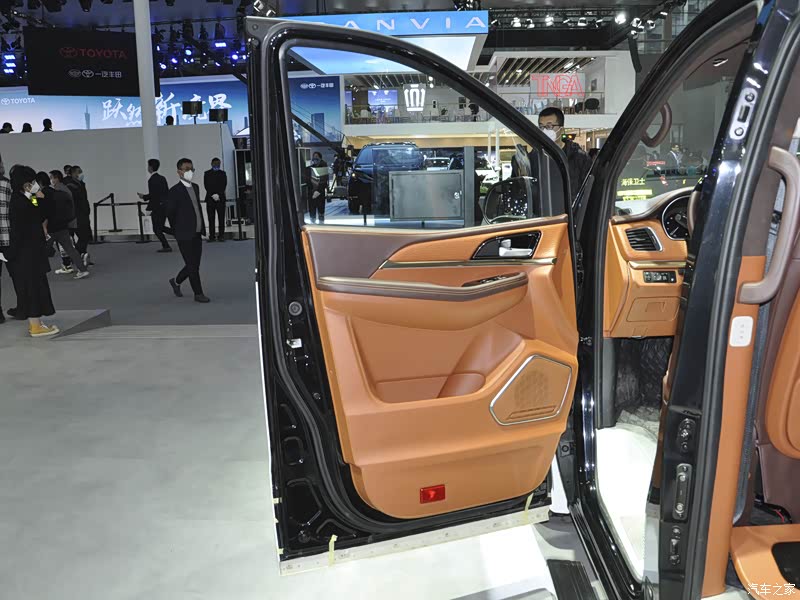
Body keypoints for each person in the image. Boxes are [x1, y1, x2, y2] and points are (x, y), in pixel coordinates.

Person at [7, 165, 59, 337]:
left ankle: (36, 323)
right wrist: (11, 253)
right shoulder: (19, 202)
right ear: (26, 184)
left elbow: (39, 212)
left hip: (32, 252)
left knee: (35, 287)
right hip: (26, 254)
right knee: (32, 288)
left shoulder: (26, 198)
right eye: (33, 181)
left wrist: (38, 197)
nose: (36, 184)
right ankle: (35, 326)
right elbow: (20, 230)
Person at [167, 158, 209, 303]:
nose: (190, 172)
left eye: (192, 169)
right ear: (179, 172)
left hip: (197, 232)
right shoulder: (174, 191)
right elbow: (170, 213)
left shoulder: (195, 187)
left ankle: (176, 281)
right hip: (183, 234)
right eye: (186, 169)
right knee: (192, 265)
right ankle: (198, 293)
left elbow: (196, 209)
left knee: (194, 264)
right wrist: (177, 231)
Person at [36, 171, 89, 280]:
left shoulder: (41, 194)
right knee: (70, 249)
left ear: (39, 182)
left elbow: (38, 209)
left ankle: (35, 274)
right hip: (62, 226)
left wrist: (31, 195)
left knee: (39, 250)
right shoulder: (55, 192)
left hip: (49, 229)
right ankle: (82, 269)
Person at [537, 107, 592, 199]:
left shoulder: (580, 158)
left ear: (561, 129)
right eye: (541, 127)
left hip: (570, 207)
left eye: (549, 126)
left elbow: (589, 191)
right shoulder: (535, 157)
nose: (544, 131)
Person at [136, 159, 172, 252]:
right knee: (161, 227)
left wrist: (144, 197)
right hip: (164, 206)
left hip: (157, 207)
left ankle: (167, 245)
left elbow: (153, 195)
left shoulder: (152, 180)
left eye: (148, 166)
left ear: (151, 167)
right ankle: (177, 235)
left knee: (157, 229)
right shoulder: (162, 178)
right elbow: (165, 193)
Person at [49, 169, 79, 274]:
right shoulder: (63, 188)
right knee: (67, 244)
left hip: (64, 222)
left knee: (65, 245)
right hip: (69, 220)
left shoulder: (59, 190)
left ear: (56, 178)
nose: (50, 180)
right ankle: (70, 263)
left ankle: (68, 264)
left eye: (51, 178)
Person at [64, 165, 92, 266]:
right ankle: (77, 256)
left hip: (83, 214)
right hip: (76, 215)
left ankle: (82, 256)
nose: (81, 174)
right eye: (79, 172)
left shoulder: (80, 184)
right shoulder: (70, 185)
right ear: (73, 173)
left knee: (86, 236)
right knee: (82, 236)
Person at [0, 163, 13, 324]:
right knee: (17, 275)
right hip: (8, 238)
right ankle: (24, 307)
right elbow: (34, 200)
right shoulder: (8, 184)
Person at [203, 157, 228, 242]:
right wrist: (213, 194)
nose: (217, 165)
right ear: (211, 164)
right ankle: (212, 236)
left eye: (218, 163)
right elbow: (206, 185)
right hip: (210, 198)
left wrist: (218, 194)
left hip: (220, 199)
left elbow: (224, 184)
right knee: (211, 218)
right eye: (215, 163)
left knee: (221, 218)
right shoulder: (207, 173)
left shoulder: (223, 173)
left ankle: (221, 236)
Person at [307, 151, 328, 224]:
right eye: (314, 156)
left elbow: (324, 180)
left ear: (320, 158)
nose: (315, 158)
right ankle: (312, 219)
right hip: (312, 190)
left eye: (317, 157)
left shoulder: (323, 167)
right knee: (312, 206)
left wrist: (319, 190)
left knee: (320, 205)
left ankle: (321, 220)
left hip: (320, 191)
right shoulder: (310, 168)